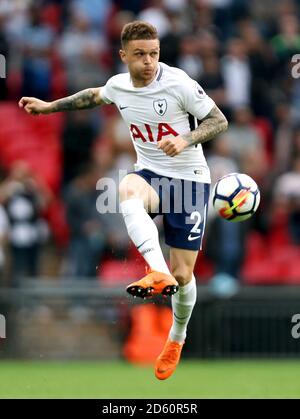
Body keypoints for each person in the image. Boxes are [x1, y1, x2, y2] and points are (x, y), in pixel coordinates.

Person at [18, 21, 228, 380]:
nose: (149, 62)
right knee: (126, 190)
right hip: (149, 174)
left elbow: (218, 120)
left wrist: (186, 139)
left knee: (185, 274)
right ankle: (155, 270)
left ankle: (177, 337)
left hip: (190, 181)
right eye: (141, 55)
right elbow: (93, 96)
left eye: (154, 54)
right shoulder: (119, 85)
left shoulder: (177, 83)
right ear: (123, 56)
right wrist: (49, 106)